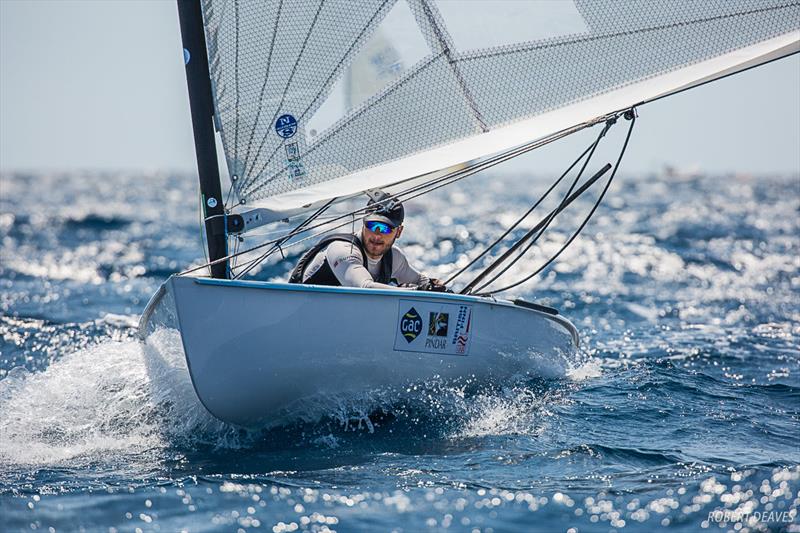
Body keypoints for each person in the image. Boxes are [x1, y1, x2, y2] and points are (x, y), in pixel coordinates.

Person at [289, 192, 447, 291]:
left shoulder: (394, 258)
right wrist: (414, 291)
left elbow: (421, 281)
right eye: (372, 225)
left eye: (385, 229)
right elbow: (364, 287)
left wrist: (435, 286)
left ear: (398, 232)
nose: (377, 236)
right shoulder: (343, 250)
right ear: (363, 223)